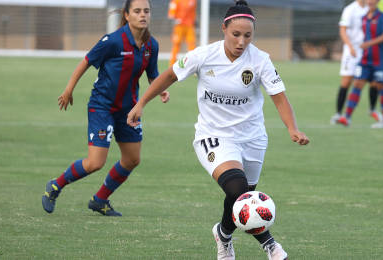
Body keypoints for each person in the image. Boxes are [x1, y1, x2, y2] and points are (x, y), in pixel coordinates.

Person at [127, 1, 309, 258]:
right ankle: (271, 246)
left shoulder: (260, 61)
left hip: (253, 138)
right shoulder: (203, 55)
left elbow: (279, 97)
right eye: (236, 34)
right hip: (213, 136)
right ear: (224, 28)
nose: (242, 41)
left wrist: (293, 129)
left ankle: (223, 235)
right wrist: (141, 103)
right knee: (239, 191)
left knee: (241, 195)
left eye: (248, 36)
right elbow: (169, 75)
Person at [41, 0, 170, 216]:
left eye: (146, 11)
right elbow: (86, 61)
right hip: (102, 107)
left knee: (132, 159)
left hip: (129, 110)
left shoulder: (151, 45)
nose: (143, 15)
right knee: (95, 162)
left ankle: (100, 200)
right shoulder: (113, 41)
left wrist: (160, 89)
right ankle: (55, 185)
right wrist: (68, 90)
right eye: (137, 11)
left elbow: (153, 74)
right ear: (127, 15)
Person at [337, 0, 383, 128]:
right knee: (357, 83)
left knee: (381, 86)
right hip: (365, 59)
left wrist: (368, 44)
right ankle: (347, 117)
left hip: (380, 59)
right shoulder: (363, 17)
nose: (370, 1)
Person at [168, 0, 197, 67]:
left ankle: (194, 66)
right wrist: (174, 20)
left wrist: (194, 21)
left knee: (191, 45)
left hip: (189, 26)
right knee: (176, 45)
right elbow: (171, 14)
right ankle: (171, 66)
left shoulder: (193, 1)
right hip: (179, 26)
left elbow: (193, 12)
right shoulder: (176, 1)